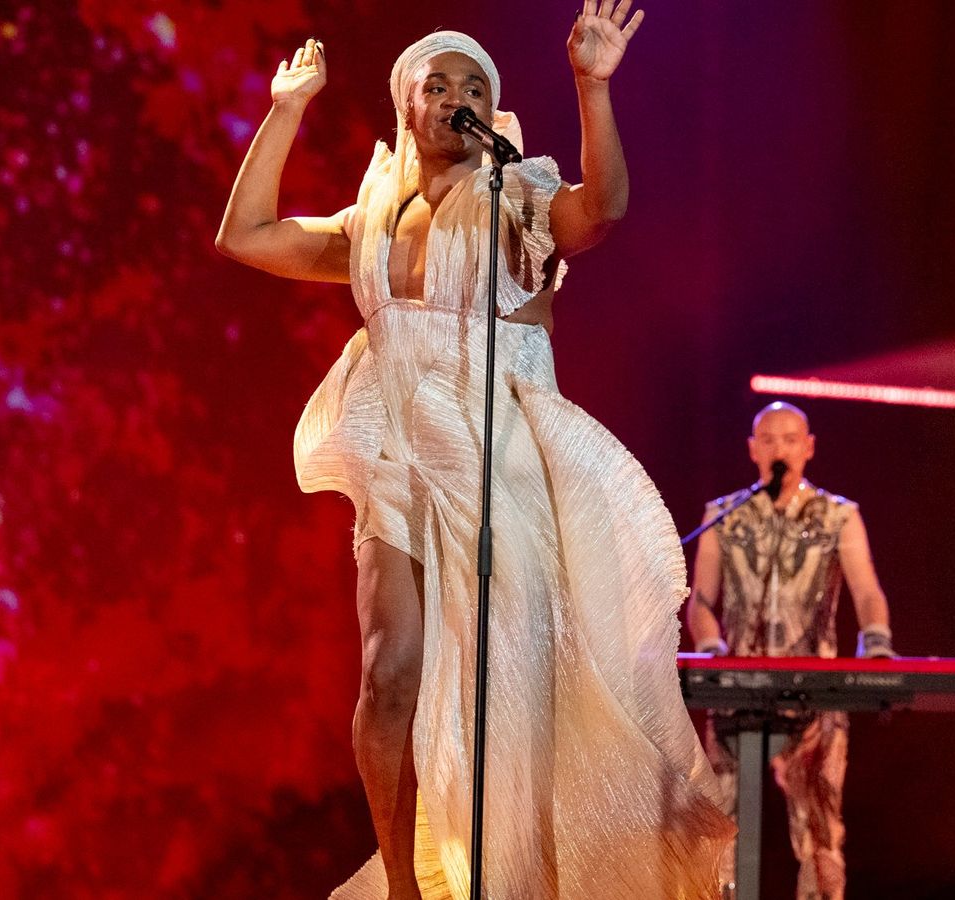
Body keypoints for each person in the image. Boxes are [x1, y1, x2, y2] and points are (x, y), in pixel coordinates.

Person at [216, 5, 732, 899]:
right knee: (389, 673)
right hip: (399, 456)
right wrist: (287, 108)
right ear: (406, 108)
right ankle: (406, 887)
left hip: (504, 463)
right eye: (440, 84)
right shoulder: (369, 227)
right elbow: (246, 234)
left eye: (477, 88)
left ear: (493, 113)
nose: (460, 97)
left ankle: (524, 877)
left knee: (523, 689)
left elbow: (601, 210)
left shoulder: (517, 201)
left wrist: (592, 86)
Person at [685, 402, 895, 900]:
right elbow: (701, 601)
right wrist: (712, 649)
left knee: (820, 833)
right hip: (737, 695)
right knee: (718, 833)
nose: (779, 449)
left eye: (790, 439)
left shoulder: (839, 516)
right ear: (753, 449)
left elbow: (867, 591)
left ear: (808, 447)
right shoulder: (724, 516)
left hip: (815, 697)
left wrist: (877, 644)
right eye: (769, 439)